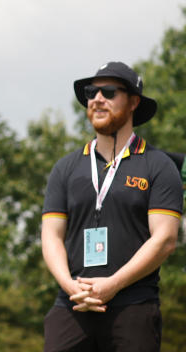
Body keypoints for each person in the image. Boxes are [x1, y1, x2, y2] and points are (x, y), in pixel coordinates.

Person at [41, 61, 182, 351]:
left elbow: (165, 239)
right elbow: (51, 236)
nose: (97, 99)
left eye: (108, 91)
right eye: (92, 92)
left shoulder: (158, 165)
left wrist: (113, 284)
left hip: (133, 306)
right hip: (72, 305)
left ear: (133, 102)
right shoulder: (65, 168)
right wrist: (70, 286)